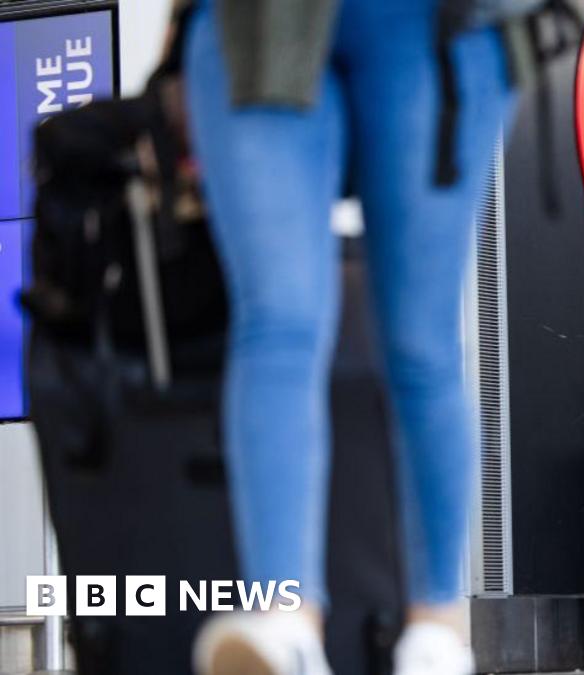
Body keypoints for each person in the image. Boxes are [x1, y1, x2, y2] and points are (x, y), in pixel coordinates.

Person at [182, 1, 511, 673]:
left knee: (417, 341)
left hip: (433, 22)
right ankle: (287, 625)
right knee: (281, 318)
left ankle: (436, 634)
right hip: (257, 19)